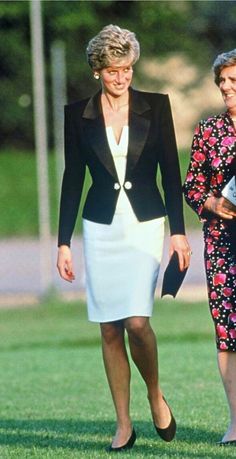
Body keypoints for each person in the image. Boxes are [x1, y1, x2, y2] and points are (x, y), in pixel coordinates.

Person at [57, 24, 191, 452]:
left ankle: (155, 394)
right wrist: (63, 241)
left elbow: (171, 172)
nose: (122, 77)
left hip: (145, 225)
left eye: (128, 68)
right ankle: (123, 423)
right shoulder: (78, 114)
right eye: (114, 70)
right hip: (99, 229)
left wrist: (179, 233)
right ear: (98, 70)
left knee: (136, 322)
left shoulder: (156, 106)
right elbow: (73, 178)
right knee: (109, 329)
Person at [183, 49, 236, 446]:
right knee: (228, 333)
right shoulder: (208, 131)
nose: (226, 88)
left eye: (233, 80)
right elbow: (192, 185)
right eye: (221, 82)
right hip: (222, 244)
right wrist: (212, 204)